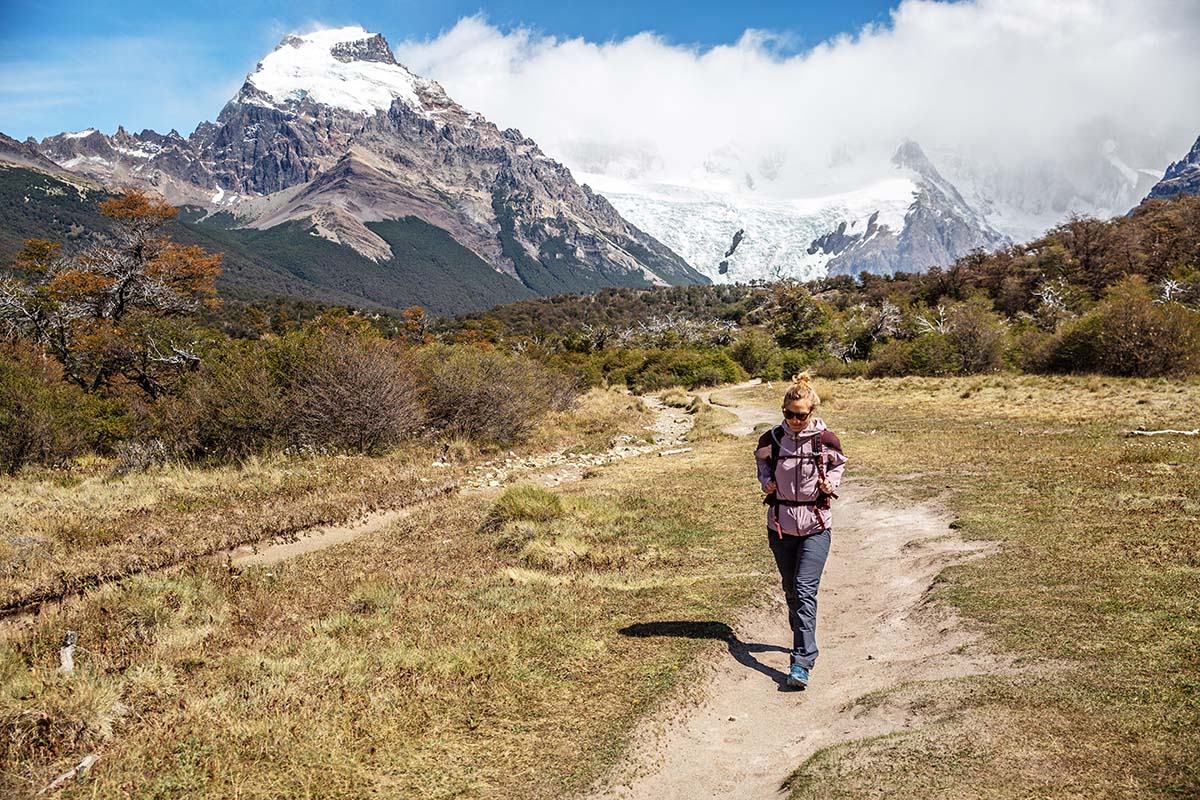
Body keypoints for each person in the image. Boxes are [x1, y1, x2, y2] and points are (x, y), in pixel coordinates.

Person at [754, 372, 846, 689]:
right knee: (792, 591)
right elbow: (762, 464)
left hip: (816, 526)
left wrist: (829, 484)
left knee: (805, 591)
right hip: (780, 525)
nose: (794, 420)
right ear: (783, 412)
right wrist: (764, 480)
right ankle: (801, 634)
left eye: (801, 415)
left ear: (812, 412)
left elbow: (838, 465)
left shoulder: (826, 440)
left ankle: (802, 662)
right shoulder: (771, 440)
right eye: (789, 414)